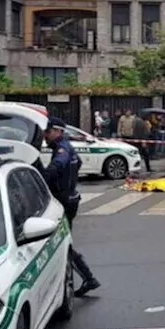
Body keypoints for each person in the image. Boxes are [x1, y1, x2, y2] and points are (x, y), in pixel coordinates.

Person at [41, 117, 102, 297]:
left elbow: (57, 166)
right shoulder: (68, 147)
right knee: (62, 241)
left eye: (49, 131)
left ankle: (88, 278)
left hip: (64, 201)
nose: (45, 135)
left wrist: (45, 175)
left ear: (58, 131)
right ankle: (88, 279)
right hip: (70, 198)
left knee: (62, 243)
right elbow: (79, 163)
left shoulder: (62, 150)